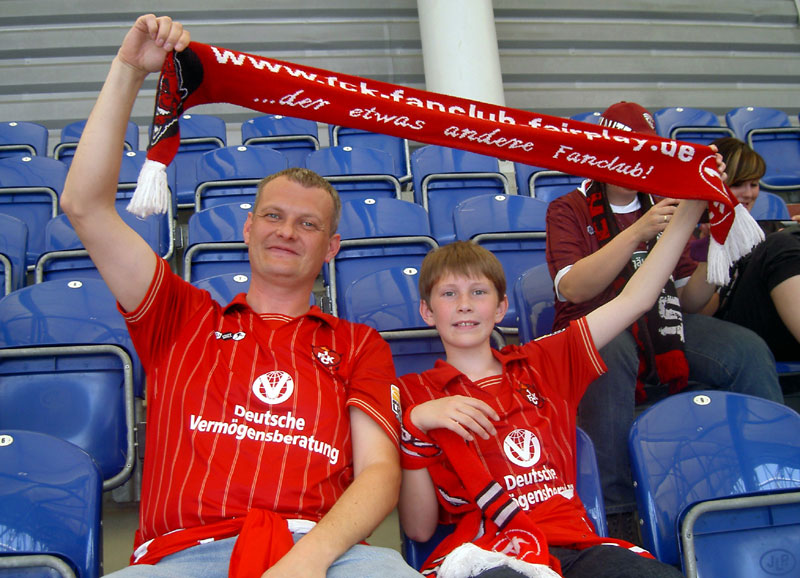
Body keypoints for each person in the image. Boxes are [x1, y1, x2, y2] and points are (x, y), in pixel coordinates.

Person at [60, 14, 422, 578]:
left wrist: (308, 560)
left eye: (308, 225)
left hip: (326, 552)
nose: (286, 231)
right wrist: (129, 70)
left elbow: (379, 473)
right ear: (247, 229)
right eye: (273, 216)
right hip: (181, 554)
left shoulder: (359, 345)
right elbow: (85, 206)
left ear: (332, 248)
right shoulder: (176, 313)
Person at [398, 195, 708, 577]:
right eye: (449, 294)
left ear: (500, 308)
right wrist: (415, 426)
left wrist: (688, 214)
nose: (464, 305)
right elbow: (418, 529)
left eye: (478, 292)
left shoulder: (544, 361)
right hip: (488, 556)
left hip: (575, 546)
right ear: (427, 311)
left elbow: (637, 299)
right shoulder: (412, 395)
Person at [544, 101, 783, 541]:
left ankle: (776, 478)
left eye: (643, 151)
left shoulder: (669, 204)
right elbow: (574, 288)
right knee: (609, 347)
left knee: (746, 348)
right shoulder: (569, 208)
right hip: (594, 326)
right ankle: (616, 510)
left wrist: (718, 250)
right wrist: (638, 232)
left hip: (663, 321)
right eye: (623, 149)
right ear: (601, 152)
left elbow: (688, 300)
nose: (631, 160)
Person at [691, 137, 799, 362]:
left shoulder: (764, 226)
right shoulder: (690, 232)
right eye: (738, 184)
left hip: (781, 327)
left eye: (754, 184)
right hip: (730, 331)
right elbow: (697, 315)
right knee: (778, 245)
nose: (749, 194)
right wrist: (716, 246)